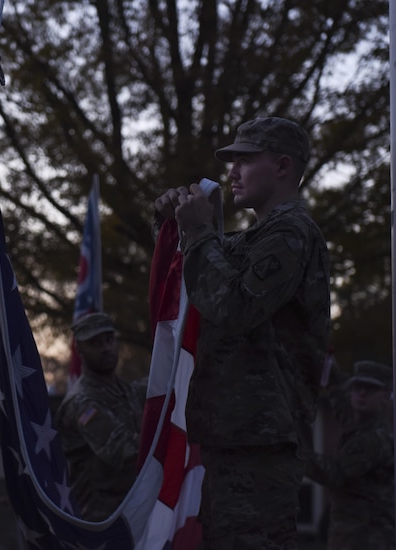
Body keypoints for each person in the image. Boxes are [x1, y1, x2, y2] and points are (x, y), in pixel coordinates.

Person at [154, 116, 331, 548]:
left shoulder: (291, 233)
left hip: (262, 438)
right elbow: (204, 271)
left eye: (245, 160)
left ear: (283, 167)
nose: (232, 172)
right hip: (239, 432)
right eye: (232, 162)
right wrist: (179, 222)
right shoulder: (257, 237)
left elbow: (234, 306)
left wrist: (198, 231)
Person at [55, 312, 145, 521]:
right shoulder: (82, 402)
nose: (105, 348)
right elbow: (123, 450)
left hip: (131, 511)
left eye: (109, 340)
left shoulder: (124, 390)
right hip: (98, 521)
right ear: (80, 351)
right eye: (95, 343)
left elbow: (156, 386)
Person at [306, 360, 395, 549]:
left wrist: (294, 453)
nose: (361, 393)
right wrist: (327, 366)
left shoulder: (375, 439)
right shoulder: (359, 427)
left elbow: (335, 473)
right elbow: (340, 398)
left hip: (367, 538)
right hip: (350, 534)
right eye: (357, 387)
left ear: (386, 396)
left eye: (370, 389)